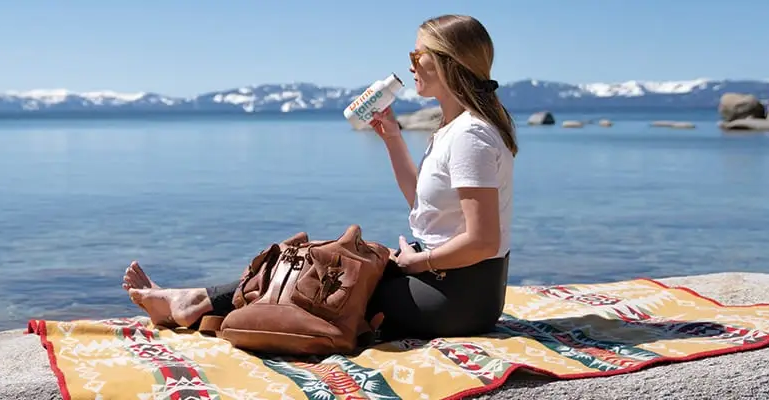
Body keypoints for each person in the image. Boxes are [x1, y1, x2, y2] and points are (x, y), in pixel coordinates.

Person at [121, 13, 518, 341]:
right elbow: (423, 204)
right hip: (448, 282)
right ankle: (198, 302)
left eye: (419, 53)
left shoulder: (471, 135)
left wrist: (415, 263)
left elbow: (483, 241)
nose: (410, 62)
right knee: (317, 263)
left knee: (321, 278)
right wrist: (394, 140)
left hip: (455, 299)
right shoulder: (453, 127)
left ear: (448, 61)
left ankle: (193, 304)